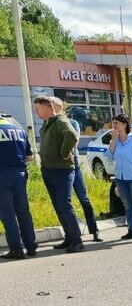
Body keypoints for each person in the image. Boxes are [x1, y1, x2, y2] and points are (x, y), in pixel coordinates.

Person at [34, 95, 84, 253]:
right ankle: (69, 238)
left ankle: (77, 241)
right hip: (49, 170)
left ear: (47, 108)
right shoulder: (47, 124)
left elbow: (72, 136)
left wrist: (64, 153)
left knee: (65, 205)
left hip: (62, 170)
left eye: (38, 109)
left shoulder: (61, 121)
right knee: (58, 206)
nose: (36, 112)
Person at [0, 113, 36, 260]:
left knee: (7, 213)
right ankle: (31, 246)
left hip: (2, 175)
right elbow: (30, 157)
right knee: (23, 211)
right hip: (20, 175)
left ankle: (16, 249)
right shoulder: (19, 130)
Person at [67, 113, 101, 241]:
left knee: (84, 198)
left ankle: (95, 230)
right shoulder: (48, 124)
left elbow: (74, 142)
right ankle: (71, 233)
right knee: (66, 202)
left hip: (73, 162)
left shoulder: (72, 123)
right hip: (59, 168)